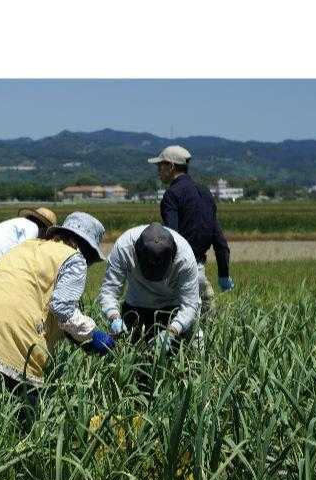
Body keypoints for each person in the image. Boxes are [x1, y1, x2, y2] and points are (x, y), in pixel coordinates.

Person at [0, 212, 115, 425]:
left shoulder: (28, 246)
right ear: (86, 248)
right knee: (27, 412)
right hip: (9, 324)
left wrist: (78, 338)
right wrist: (93, 334)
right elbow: (62, 308)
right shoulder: (74, 258)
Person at [149, 145, 234, 317]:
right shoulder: (205, 193)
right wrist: (223, 274)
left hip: (182, 274)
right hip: (199, 272)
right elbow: (220, 241)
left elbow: (172, 239)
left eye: (160, 165)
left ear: (171, 166)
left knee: (181, 331)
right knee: (206, 327)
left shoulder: (171, 195)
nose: (158, 170)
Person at [98, 222, 201, 352]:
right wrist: (114, 318)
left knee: (172, 360)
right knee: (133, 357)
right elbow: (109, 291)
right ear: (139, 253)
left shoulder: (185, 257)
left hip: (172, 310)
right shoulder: (124, 247)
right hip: (136, 307)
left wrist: (171, 332)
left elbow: (190, 305)